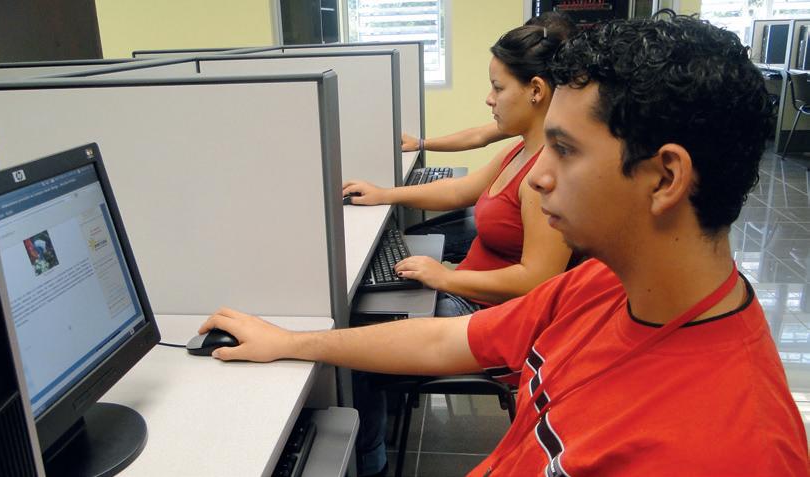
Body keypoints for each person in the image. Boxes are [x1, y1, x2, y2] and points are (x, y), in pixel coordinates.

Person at [199, 15, 810, 475]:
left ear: (665, 178)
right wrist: (290, 343)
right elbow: (446, 339)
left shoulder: (736, 450)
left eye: (564, 150)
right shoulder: (600, 284)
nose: (538, 177)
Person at [344, 21, 576, 318]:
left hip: (485, 310)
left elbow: (537, 279)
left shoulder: (546, 175)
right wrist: (384, 194)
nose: (489, 98)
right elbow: (459, 191)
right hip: (466, 291)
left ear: (536, 90)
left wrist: (445, 277)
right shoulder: (519, 150)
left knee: (363, 317)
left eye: (498, 88)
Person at [400, 12, 576, 154]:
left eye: (498, 88)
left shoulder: (569, 136)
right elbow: (478, 136)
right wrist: (420, 144)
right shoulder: (531, 125)